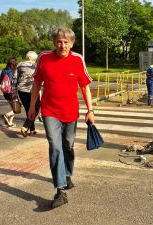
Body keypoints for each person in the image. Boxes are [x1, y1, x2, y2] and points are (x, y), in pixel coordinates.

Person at [28, 27, 95, 209]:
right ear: (54, 42)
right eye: (59, 41)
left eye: (66, 42)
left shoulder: (77, 59)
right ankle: (60, 191)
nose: (62, 45)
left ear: (72, 44)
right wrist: (33, 107)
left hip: (71, 112)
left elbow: (85, 87)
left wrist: (90, 110)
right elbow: (36, 83)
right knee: (55, 147)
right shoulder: (44, 57)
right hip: (50, 111)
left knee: (68, 145)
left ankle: (67, 174)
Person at [17, 51, 40, 137]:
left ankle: (32, 130)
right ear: (35, 58)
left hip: (21, 90)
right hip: (32, 90)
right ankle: (25, 126)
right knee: (36, 108)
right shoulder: (36, 65)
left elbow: (15, 78)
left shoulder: (19, 65)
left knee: (28, 109)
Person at [0, 58, 18, 127]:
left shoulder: (4, 70)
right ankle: (6, 115)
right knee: (17, 108)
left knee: (13, 108)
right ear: (15, 64)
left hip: (5, 92)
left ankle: (10, 123)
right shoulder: (14, 71)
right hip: (13, 92)